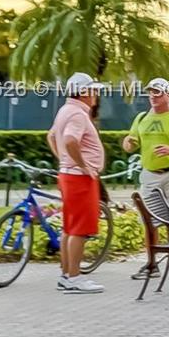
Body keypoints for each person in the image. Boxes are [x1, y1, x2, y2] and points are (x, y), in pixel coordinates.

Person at [122, 78, 169, 280]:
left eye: (158, 92)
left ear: (168, 94)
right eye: (151, 92)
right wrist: (128, 144)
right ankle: (151, 264)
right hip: (150, 175)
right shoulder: (141, 118)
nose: (154, 96)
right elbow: (131, 143)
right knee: (150, 221)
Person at [46, 73, 107, 294]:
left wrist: (63, 160)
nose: (96, 95)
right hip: (79, 178)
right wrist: (81, 165)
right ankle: (74, 277)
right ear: (83, 92)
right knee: (80, 229)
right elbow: (71, 140)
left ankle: (66, 274)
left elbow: (52, 136)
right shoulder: (78, 115)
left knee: (70, 228)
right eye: (93, 90)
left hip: (68, 175)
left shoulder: (66, 110)